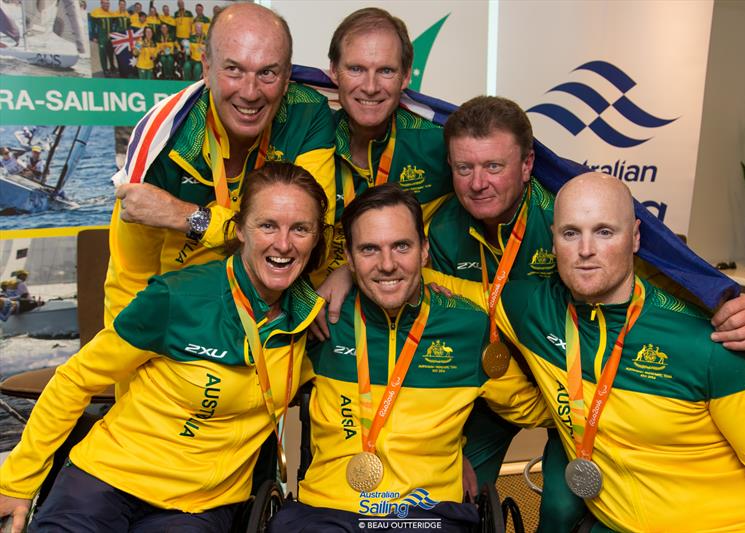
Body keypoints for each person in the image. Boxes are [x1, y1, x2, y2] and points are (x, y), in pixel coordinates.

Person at [319, 95, 745, 531]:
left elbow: (660, 267)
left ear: (528, 165)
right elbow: (409, 286)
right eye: (464, 168)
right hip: (485, 382)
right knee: (450, 497)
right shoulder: (436, 228)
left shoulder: (567, 214)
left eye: (494, 166)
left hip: (573, 385)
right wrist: (347, 272)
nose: (479, 182)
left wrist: (726, 301)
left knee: (558, 503)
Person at [426, 172, 745, 532]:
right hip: (618, 523)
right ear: (553, 241)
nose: (586, 251)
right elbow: (428, 282)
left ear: (635, 237)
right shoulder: (534, 309)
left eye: (604, 232)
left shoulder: (708, 338)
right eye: (572, 233)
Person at [0, 162, 329, 533]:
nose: (283, 243)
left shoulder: (311, 319)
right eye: (267, 225)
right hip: (107, 477)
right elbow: (75, 380)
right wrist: (16, 481)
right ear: (238, 229)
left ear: (317, 239)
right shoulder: (177, 296)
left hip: (198, 507)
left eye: (300, 229)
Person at [270, 183, 550, 532]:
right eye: (370, 249)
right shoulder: (320, 321)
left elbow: (530, 407)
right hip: (326, 512)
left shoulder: (467, 326)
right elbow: (257, 390)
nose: (387, 264)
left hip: (427, 515)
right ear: (351, 260)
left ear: (424, 251)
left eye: (401, 246)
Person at [106, 3, 335, 362]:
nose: (250, 92)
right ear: (207, 68)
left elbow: (316, 232)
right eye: (233, 69)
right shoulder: (163, 142)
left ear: (288, 75)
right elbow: (128, 281)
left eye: (268, 73)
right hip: (180, 325)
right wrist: (132, 377)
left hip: (266, 315)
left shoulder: (308, 114)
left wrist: (190, 218)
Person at [317, 7, 453, 280]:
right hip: (309, 307)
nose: (370, 86)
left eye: (386, 71)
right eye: (356, 69)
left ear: (405, 76)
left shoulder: (436, 143)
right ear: (333, 71)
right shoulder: (308, 133)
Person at [89, 0, 116, 76]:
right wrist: (93, 36)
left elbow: (113, 24)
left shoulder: (111, 13)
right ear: (101, 3)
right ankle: (105, 70)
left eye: (108, 3)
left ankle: (112, 67)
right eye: (105, 3)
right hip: (101, 37)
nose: (107, 5)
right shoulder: (95, 12)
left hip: (110, 37)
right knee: (103, 54)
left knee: (111, 52)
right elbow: (92, 26)